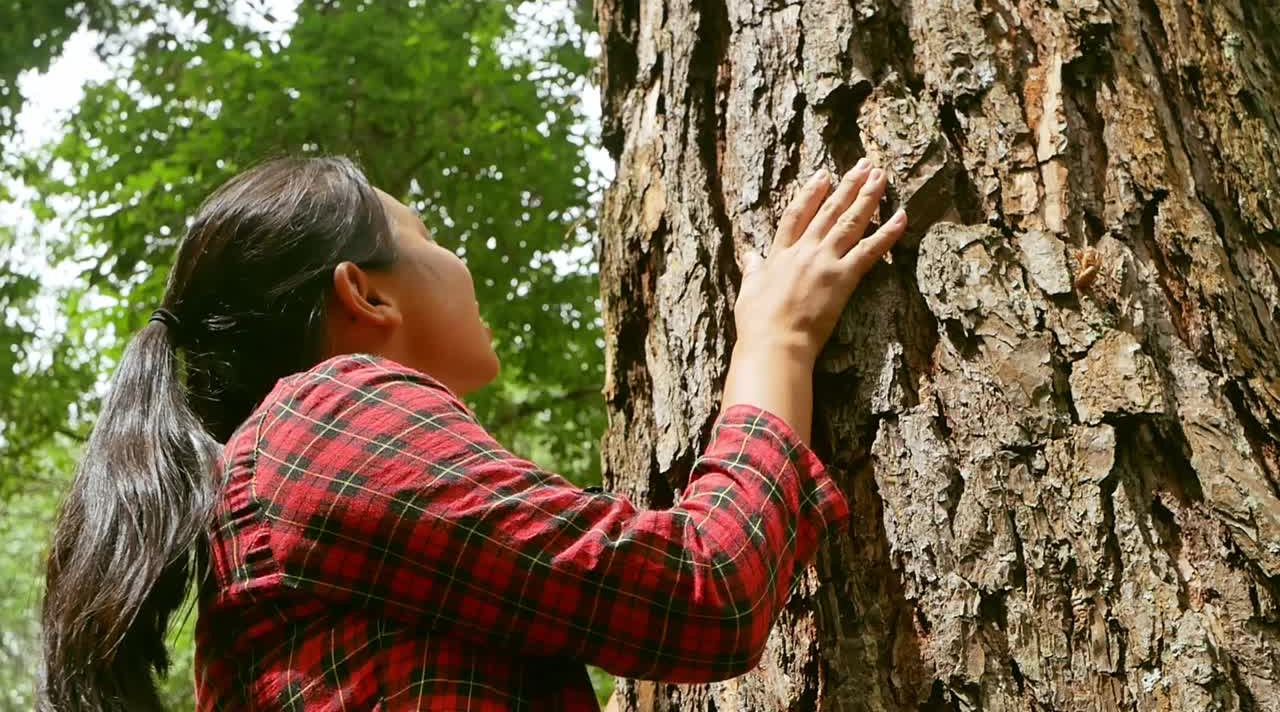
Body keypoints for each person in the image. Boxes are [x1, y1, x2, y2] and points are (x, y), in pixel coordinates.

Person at [40, 155, 905, 711]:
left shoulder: (275, 485)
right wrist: (777, 341)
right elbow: (700, 590)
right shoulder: (328, 413)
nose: (459, 260)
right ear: (366, 295)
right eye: (427, 237)